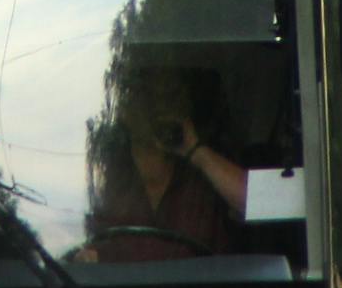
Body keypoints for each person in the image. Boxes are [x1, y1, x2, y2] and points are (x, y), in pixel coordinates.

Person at [85, 68, 247, 262]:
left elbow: (256, 202)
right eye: (147, 96)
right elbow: (86, 245)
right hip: (118, 284)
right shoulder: (107, 175)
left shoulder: (208, 172)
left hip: (208, 283)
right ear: (124, 111)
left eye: (170, 96)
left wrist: (197, 152)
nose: (159, 108)